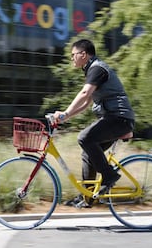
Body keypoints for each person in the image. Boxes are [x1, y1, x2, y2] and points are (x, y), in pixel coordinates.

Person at [53, 39, 135, 208]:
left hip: (119, 118)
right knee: (88, 154)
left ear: (83, 54)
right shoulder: (93, 70)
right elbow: (86, 103)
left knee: (84, 137)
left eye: (73, 55)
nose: (72, 59)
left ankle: (108, 175)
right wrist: (65, 117)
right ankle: (87, 196)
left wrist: (65, 112)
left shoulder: (97, 68)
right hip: (114, 119)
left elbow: (84, 93)